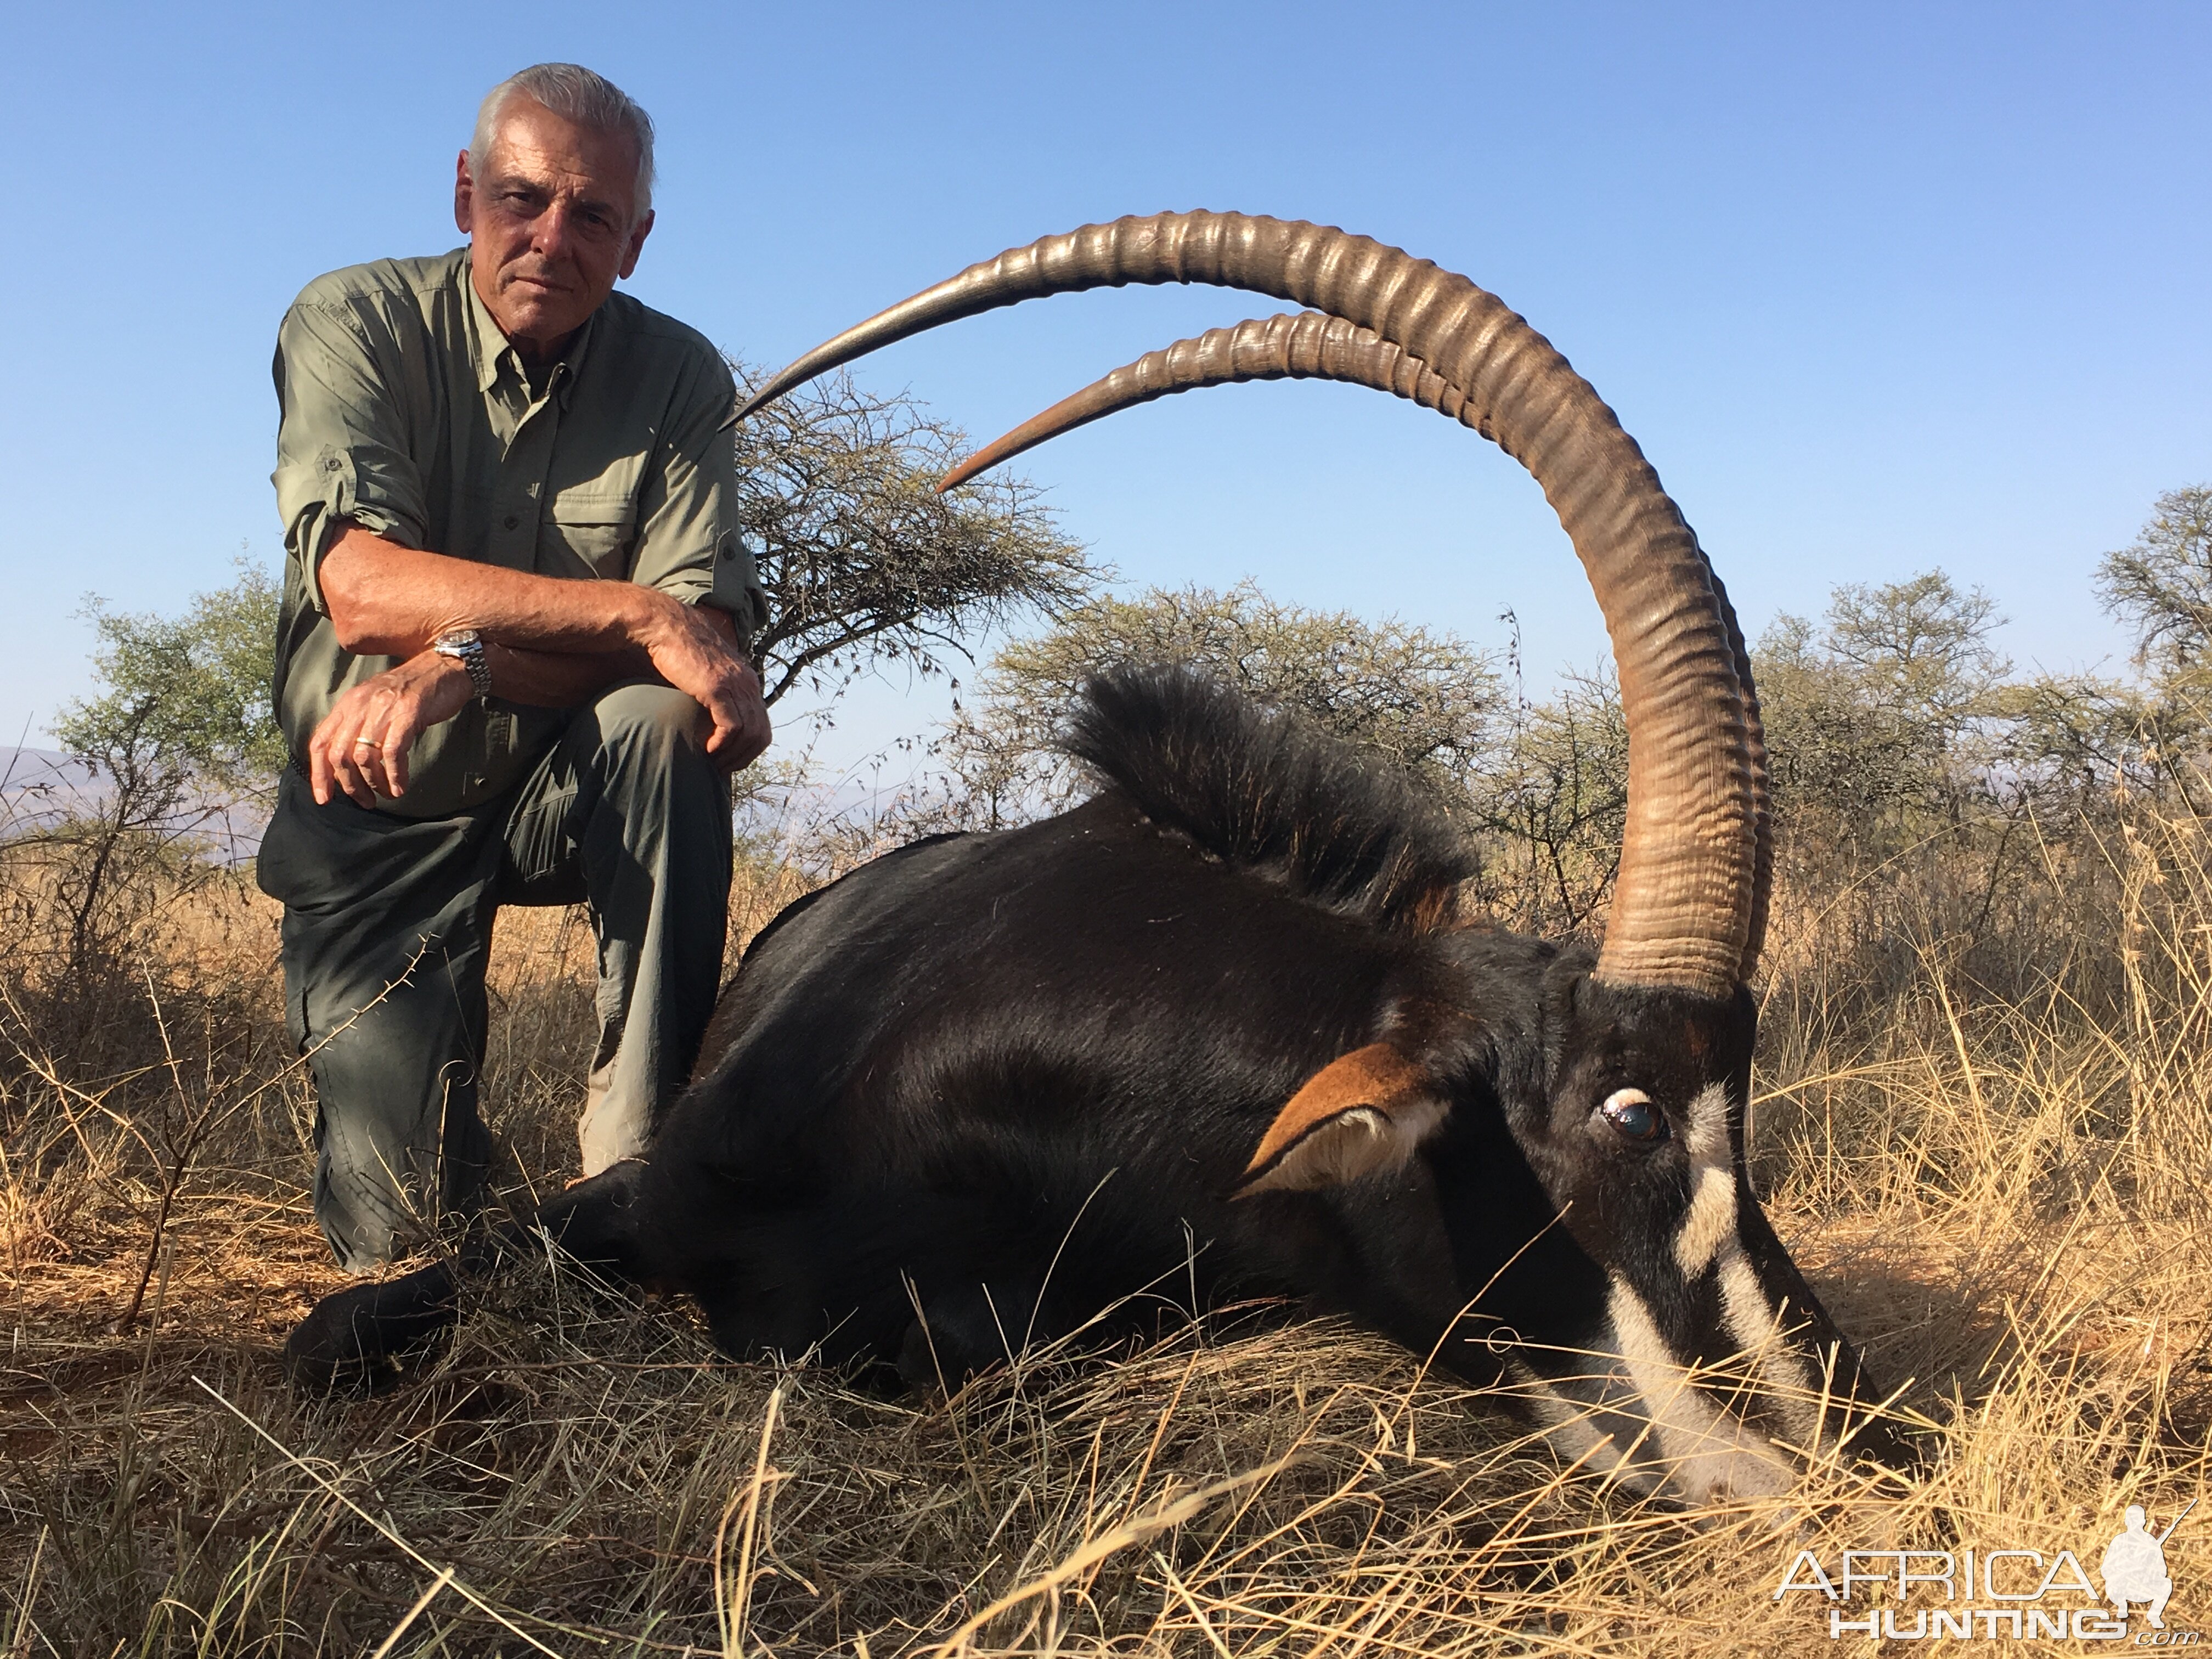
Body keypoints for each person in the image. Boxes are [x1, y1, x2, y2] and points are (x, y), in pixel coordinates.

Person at [259, 63, 770, 1271]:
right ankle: (445, 1179)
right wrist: (632, 612)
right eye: (522, 199)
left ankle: (643, 1189)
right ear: (463, 195)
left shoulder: (684, 376)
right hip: (380, 806)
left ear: (637, 241)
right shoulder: (353, 320)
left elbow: (695, 664)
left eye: (594, 215)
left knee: (659, 725)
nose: (552, 237)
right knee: (402, 1253)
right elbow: (362, 589)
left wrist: (467, 663)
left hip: (564, 782)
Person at [2100, 1505, 2174, 1629]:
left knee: (2167, 1584)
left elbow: (2162, 1570)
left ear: (2144, 1522)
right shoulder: (2119, 1541)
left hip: (2143, 1587)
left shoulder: (2151, 1542)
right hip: (2121, 1588)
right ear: (2126, 1522)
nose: (2135, 1523)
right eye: (2132, 1520)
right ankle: (2122, 1607)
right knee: (2112, 1584)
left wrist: (2148, 1570)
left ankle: (2154, 1615)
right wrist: (2123, 1570)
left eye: (2137, 1520)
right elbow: (2105, 1570)